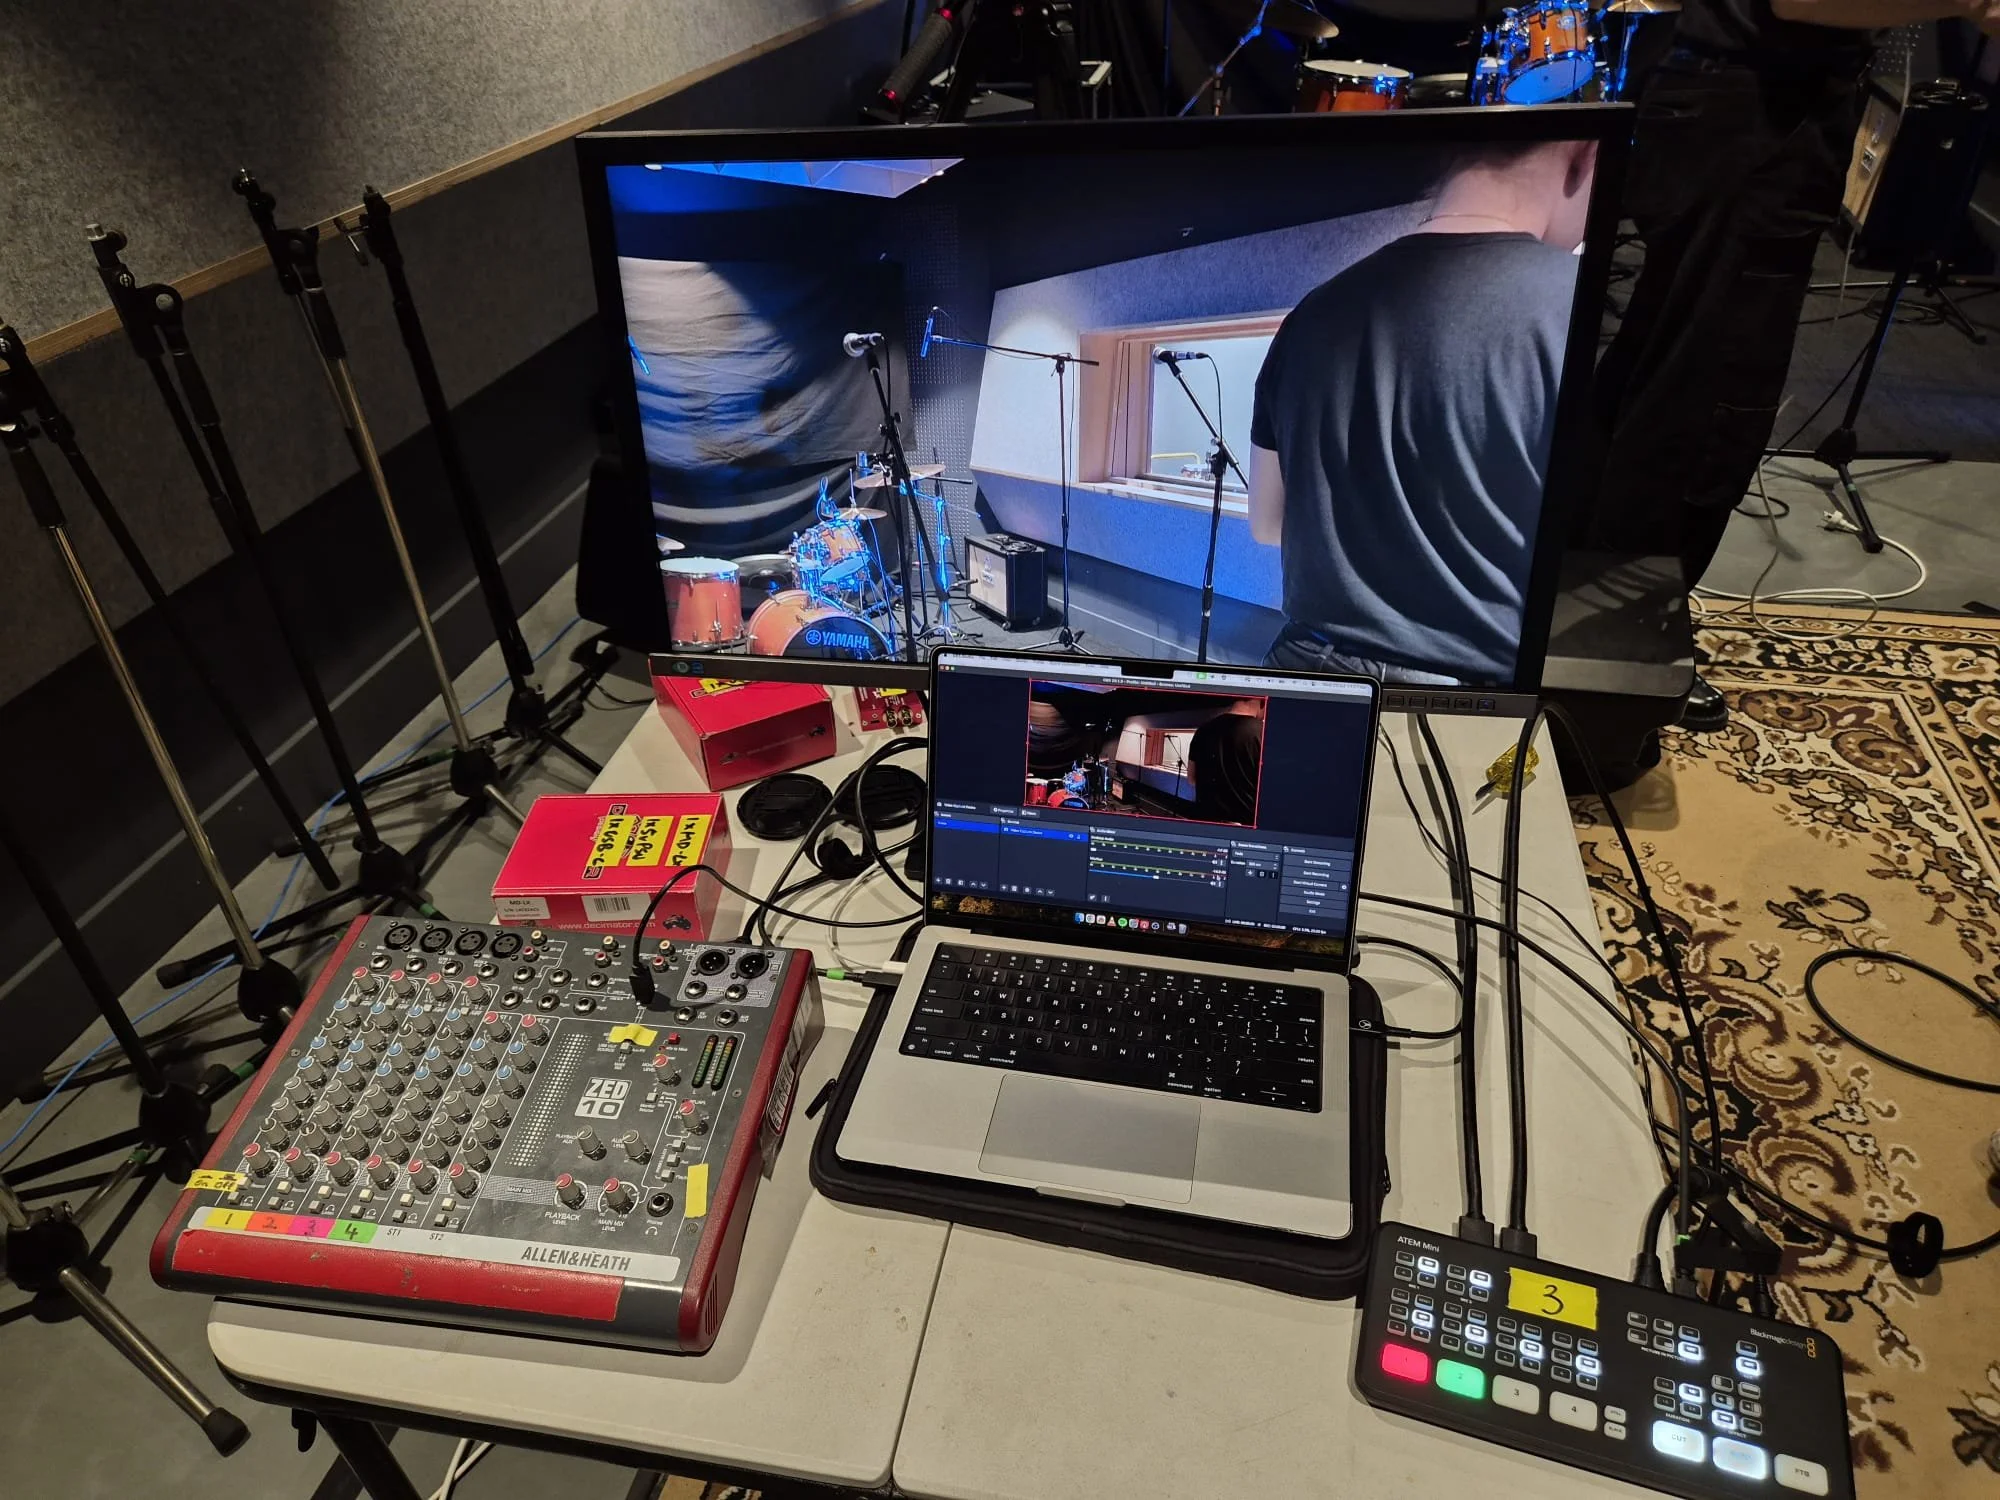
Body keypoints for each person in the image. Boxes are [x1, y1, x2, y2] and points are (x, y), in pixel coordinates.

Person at [1587, 0, 1999, 729]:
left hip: (1752, 108)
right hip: (1749, 115)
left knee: (1677, 387)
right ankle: (1615, 662)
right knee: (1702, 407)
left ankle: (1609, 639)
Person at [1248, 139, 1598, 684]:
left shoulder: (1310, 315)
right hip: (1461, 699)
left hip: (1301, 670)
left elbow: (1268, 524)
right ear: (1584, 157)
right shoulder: (1581, 306)